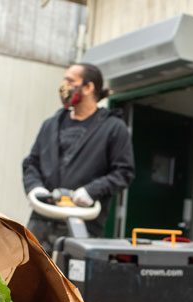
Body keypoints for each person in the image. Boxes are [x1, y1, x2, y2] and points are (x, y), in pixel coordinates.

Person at [22, 63, 134, 253]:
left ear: (89, 87)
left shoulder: (113, 128)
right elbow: (31, 162)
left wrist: (92, 191)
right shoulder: (50, 125)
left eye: (70, 81)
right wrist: (35, 187)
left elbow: (124, 172)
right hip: (42, 220)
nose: (63, 86)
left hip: (83, 223)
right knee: (30, 277)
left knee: (72, 281)